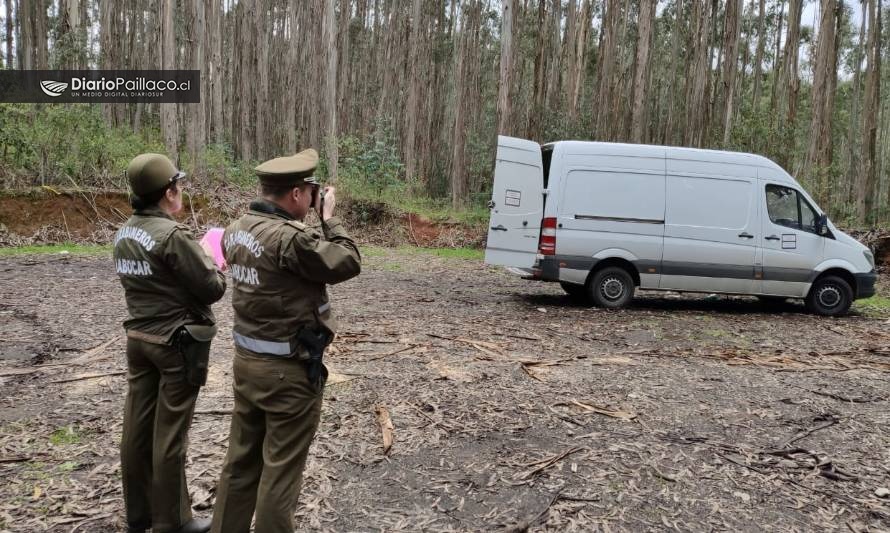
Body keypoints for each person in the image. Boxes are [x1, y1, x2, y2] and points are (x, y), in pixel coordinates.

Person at [211, 148, 361, 533]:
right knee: (280, 473)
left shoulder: (236, 229)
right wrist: (331, 218)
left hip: (247, 364)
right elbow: (347, 261)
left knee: (240, 464)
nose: (312, 201)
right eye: (310, 193)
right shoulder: (290, 239)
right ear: (296, 194)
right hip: (288, 373)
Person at [114, 153, 227, 533]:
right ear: (168, 192)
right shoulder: (172, 236)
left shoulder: (125, 231)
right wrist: (211, 259)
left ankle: (138, 514)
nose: (181, 190)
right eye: (178, 185)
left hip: (138, 340)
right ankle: (173, 521)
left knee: (136, 429)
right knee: (170, 435)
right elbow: (211, 289)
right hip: (175, 344)